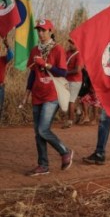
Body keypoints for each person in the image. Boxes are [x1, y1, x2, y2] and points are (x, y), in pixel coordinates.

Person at [20, 19, 73, 176]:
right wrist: (26, 95)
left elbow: (63, 72)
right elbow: (32, 74)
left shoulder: (58, 50)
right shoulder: (35, 50)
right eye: (39, 30)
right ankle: (43, 165)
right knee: (38, 132)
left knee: (43, 129)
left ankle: (65, 151)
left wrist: (46, 64)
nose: (41, 33)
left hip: (52, 94)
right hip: (37, 94)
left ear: (51, 31)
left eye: (44, 30)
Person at [62, 39, 83, 128]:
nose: (70, 45)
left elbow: (78, 70)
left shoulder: (79, 55)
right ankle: (78, 111)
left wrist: (66, 72)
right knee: (66, 100)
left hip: (75, 81)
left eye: (72, 43)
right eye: (70, 43)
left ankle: (70, 121)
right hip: (66, 80)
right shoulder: (67, 52)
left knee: (70, 100)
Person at [0, 37, 13, 122]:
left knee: (0, 107)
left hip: (0, 87)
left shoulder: (2, 59)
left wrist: (7, 45)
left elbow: (11, 55)